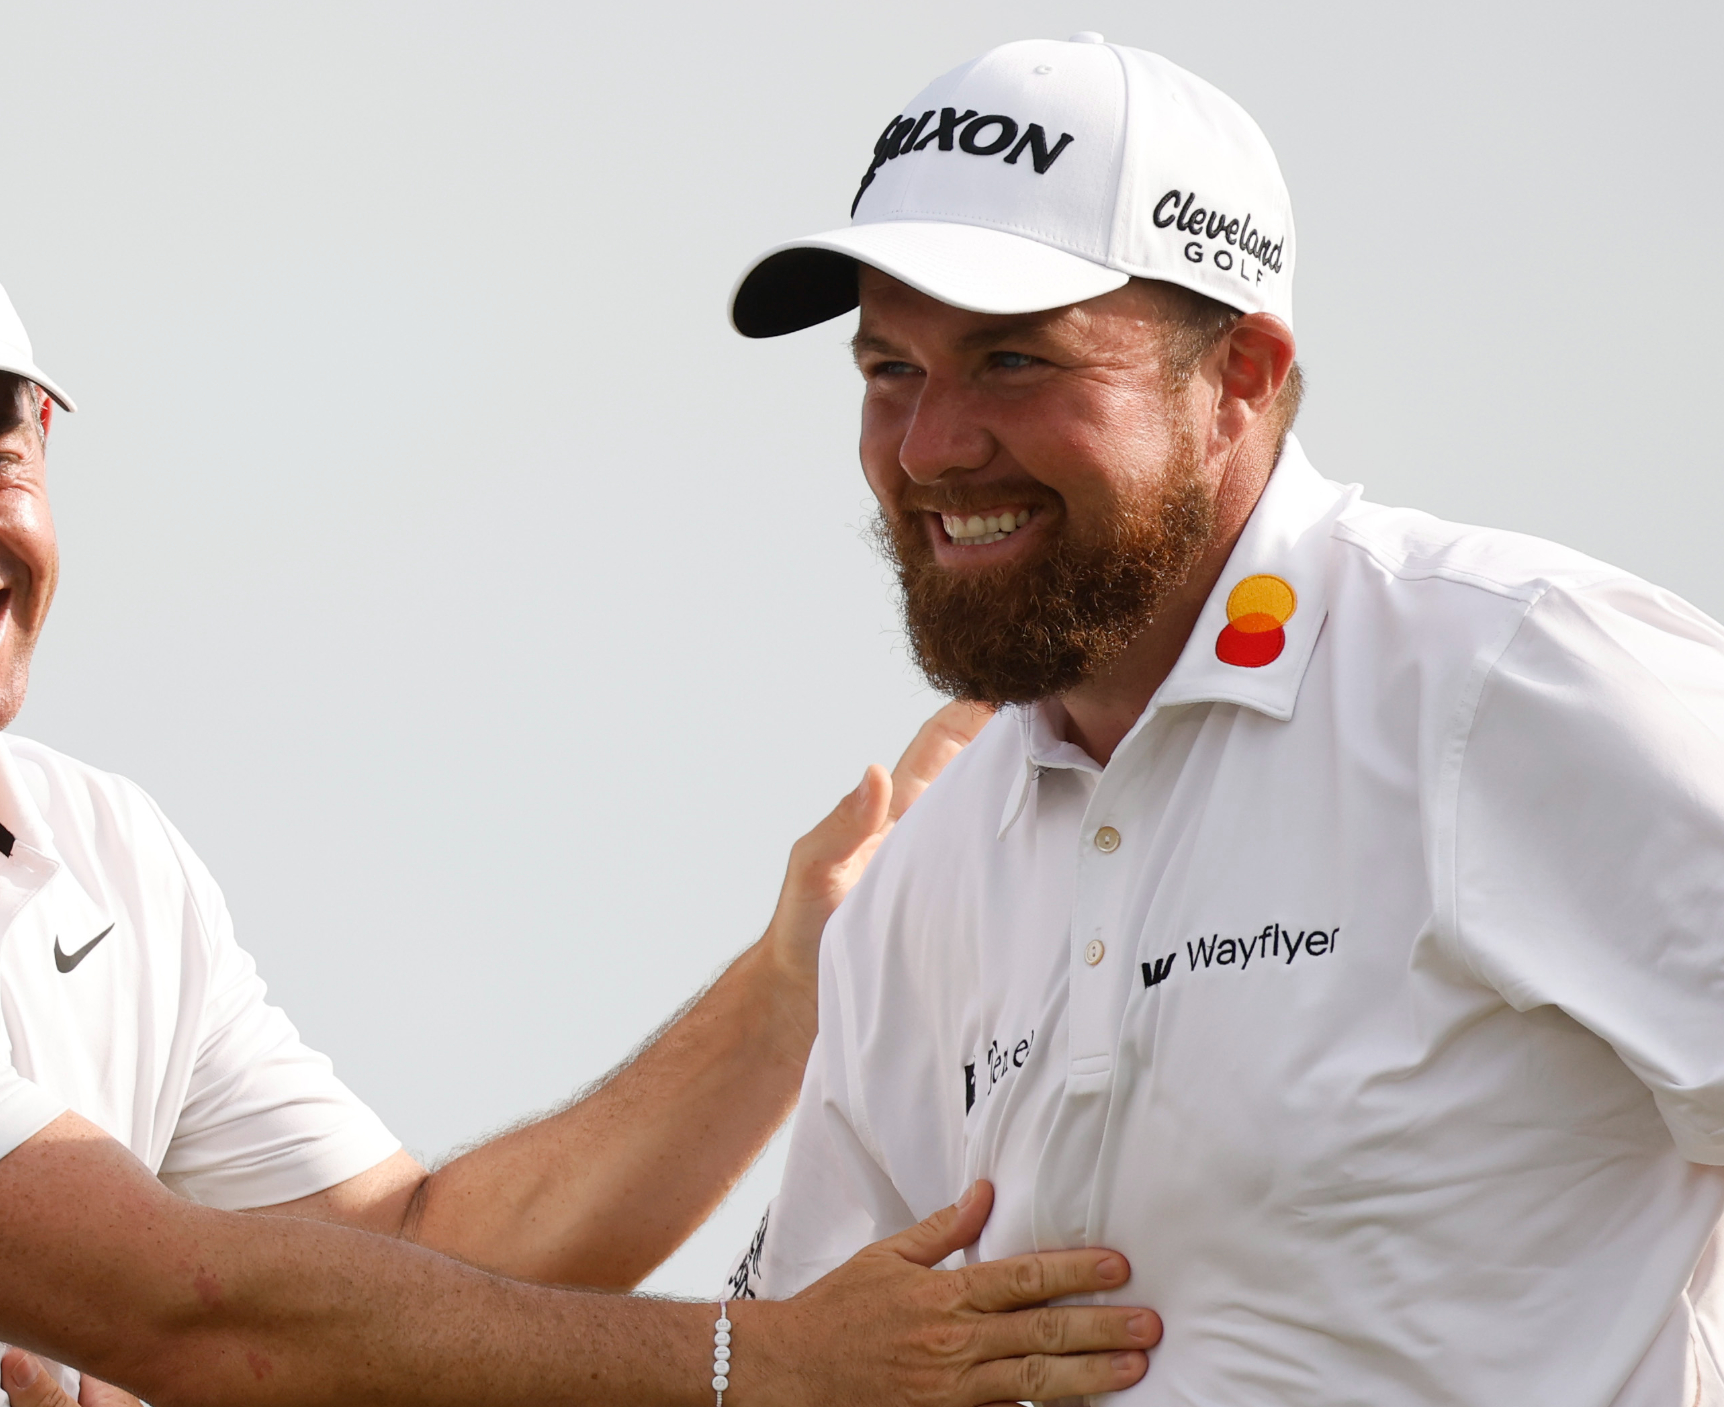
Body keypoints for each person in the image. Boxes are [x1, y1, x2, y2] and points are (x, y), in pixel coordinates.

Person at [0, 193, 1164, 1407]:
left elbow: (426, 1268)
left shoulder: (97, 841)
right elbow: (210, 1317)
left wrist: (798, 982)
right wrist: (761, 1373)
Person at [722, 30, 1724, 1405]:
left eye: (1014, 362)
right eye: (890, 368)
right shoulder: (921, 892)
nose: (930, 446)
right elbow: (818, 1372)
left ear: (1241, 376)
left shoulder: (1510, 676)